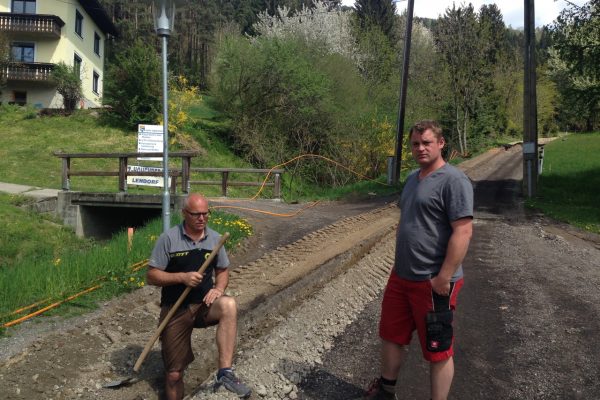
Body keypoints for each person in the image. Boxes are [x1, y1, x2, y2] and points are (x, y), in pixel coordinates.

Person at [364, 120, 473, 400]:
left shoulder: (454, 180)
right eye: (415, 143)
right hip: (402, 276)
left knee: (438, 349)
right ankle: (386, 392)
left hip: (433, 281)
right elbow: (410, 220)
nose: (420, 148)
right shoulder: (413, 178)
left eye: (426, 142)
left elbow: (463, 230)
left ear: (441, 143)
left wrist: (444, 277)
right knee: (391, 335)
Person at [147, 193, 251, 400]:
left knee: (228, 304)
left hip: (204, 305)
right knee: (174, 375)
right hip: (176, 308)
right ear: (184, 213)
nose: (202, 218)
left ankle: (225, 373)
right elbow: (152, 275)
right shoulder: (169, 239)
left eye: (205, 214)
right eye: (196, 214)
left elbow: (222, 270)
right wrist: (181, 277)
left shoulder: (215, 239)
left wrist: (219, 288)